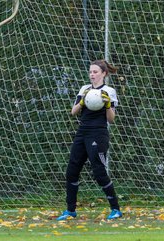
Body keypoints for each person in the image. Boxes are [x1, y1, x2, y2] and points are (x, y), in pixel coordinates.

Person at [57, 59, 122, 221]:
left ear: (104, 74)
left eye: (95, 72)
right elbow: (73, 112)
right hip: (82, 133)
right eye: (90, 72)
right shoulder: (85, 89)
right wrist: (82, 100)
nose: (92, 75)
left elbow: (111, 119)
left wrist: (107, 105)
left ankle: (116, 209)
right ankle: (70, 211)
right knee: (72, 171)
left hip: (98, 134)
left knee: (99, 172)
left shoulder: (109, 91)